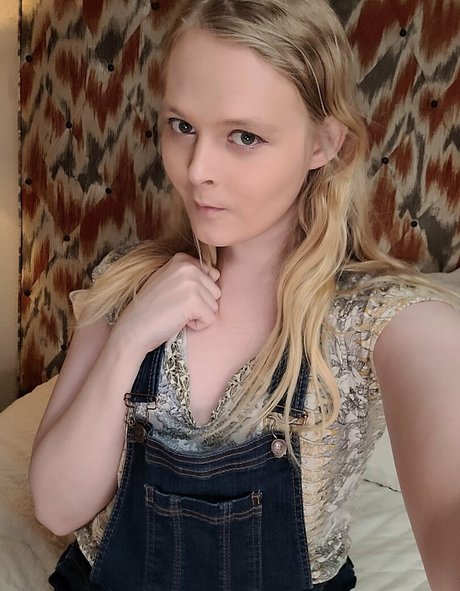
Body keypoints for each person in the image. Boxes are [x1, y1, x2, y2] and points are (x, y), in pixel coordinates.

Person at [29, 0, 460, 589]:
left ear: (324, 143)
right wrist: (128, 339)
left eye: (244, 136)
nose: (196, 169)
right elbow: (55, 508)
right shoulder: (125, 280)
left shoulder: (380, 318)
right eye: (182, 126)